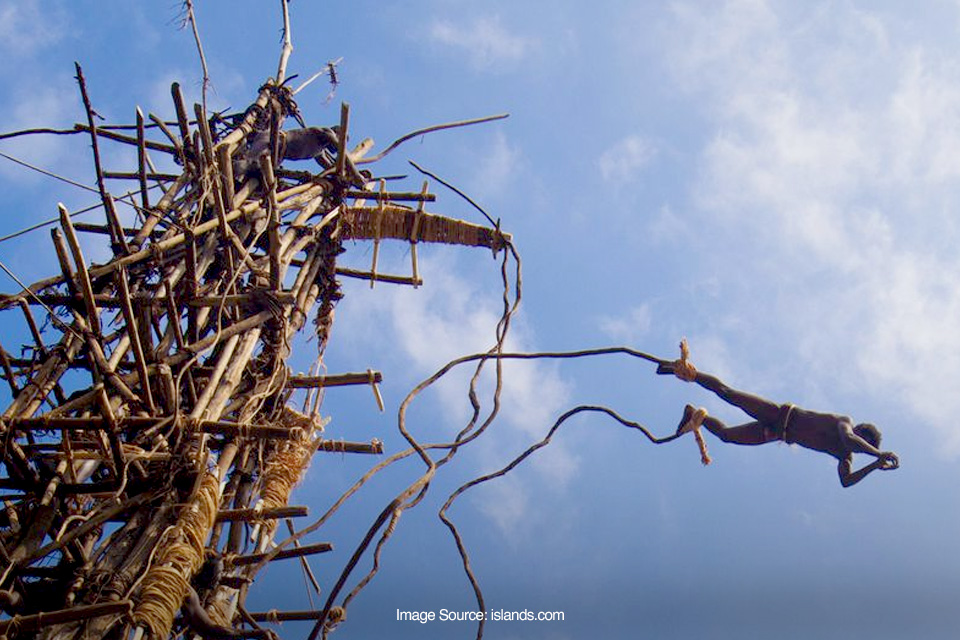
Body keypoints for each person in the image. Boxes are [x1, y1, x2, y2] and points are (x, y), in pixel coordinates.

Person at [658, 363, 899, 487]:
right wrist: (877, 454)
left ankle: (693, 414)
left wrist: (874, 464)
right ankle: (685, 370)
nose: (857, 448)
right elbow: (849, 438)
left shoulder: (844, 455)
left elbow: (846, 482)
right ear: (860, 434)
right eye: (862, 443)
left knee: (726, 436)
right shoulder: (845, 424)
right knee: (727, 393)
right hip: (780, 414)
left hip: (775, 433)